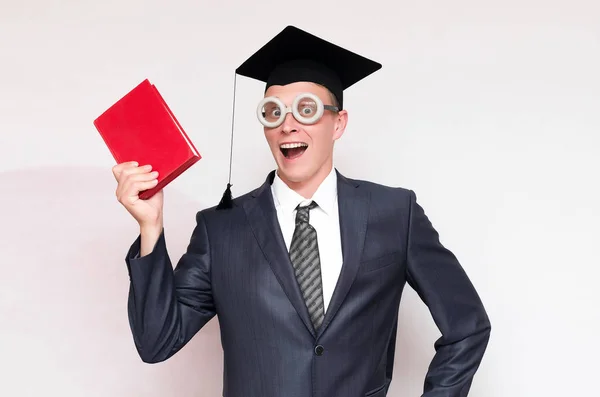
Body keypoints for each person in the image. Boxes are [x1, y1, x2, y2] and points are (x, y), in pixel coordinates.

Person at [111, 26, 491, 397]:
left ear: (338, 123)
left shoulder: (394, 213)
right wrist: (150, 227)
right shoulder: (221, 229)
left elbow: (468, 326)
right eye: (273, 112)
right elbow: (156, 342)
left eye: (305, 110)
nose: (288, 125)